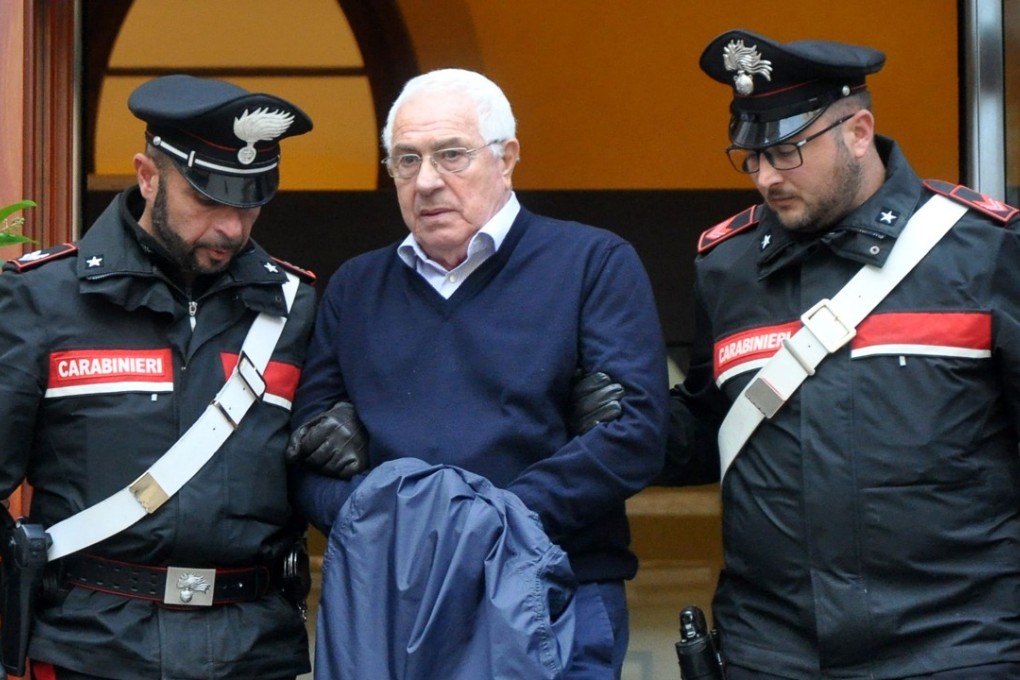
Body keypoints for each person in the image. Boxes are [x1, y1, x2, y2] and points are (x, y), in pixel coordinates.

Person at [287, 68, 668, 678]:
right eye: (406, 160)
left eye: (451, 155)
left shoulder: (592, 263)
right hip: (391, 603)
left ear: (507, 157)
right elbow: (305, 456)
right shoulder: (356, 288)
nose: (428, 181)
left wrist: (482, 524)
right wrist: (389, 519)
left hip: (553, 588)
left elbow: (636, 436)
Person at [663, 29, 1020, 679]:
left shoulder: (986, 251)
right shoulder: (726, 266)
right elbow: (708, 431)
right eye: (751, 156)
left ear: (858, 132)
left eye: (788, 152)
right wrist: (611, 411)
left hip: (958, 646)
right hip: (774, 652)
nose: (766, 176)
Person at [0, 74, 317, 680]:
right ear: (148, 177)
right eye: (210, 199)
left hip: (252, 652)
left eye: (250, 203)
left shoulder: (297, 310)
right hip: (89, 650)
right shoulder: (40, 298)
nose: (233, 227)